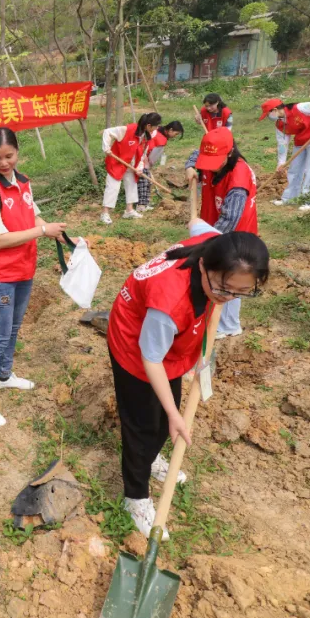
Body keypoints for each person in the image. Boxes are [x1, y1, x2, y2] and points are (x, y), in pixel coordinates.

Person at [106, 221, 269, 537]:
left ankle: (152, 457)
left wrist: (193, 361)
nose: (228, 298)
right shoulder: (168, 301)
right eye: (223, 289)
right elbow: (151, 359)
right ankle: (135, 497)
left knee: (163, 416)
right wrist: (173, 414)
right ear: (205, 265)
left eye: (241, 292)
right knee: (142, 424)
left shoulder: (219, 246)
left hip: (170, 342)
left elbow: (202, 228)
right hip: (135, 343)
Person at [0, 127, 68, 427]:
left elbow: (33, 215)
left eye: (9, 156)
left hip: (24, 268)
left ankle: (3, 376)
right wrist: (41, 231)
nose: (3, 163)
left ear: (17, 152)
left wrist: (60, 235)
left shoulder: (23, 182)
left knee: (12, 328)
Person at [184, 128, 258, 338]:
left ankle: (228, 325)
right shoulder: (211, 156)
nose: (208, 166)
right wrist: (190, 168)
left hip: (235, 235)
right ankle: (214, 320)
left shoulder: (238, 180)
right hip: (211, 224)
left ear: (229, 153)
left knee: (229, 276)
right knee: (215, 275)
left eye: (213, 160)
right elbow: (194, 156)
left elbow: (229, 220)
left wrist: (204, 244)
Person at [260, 97, 310, 210]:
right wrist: (281, 162)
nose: (269, 117)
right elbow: (282, 144)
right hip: (300, 141)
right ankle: (289, 198)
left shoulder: (300, 108)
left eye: (268, 114)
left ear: (275, 110)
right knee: (294, 169)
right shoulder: (280, 124)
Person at [101, 112, 162, 224]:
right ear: (148, 126)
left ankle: (129, 210)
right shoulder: (127, 130)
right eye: (155, 126)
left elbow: (142, 154)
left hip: (131, 164)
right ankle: (105, 213)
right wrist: (106, 148)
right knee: (113, 187)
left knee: (132, 185)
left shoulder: (147, 136)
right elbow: (107, 132)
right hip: (117, 162)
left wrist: (140, 167)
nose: (156, 129)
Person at [137, 121, 184, 213]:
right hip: (143, 159)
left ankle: (145, 203)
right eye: (176, 133)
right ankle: (141, 206)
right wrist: (148, 165)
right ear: (170, 130)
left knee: (147, 182)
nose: (175, 136)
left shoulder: (157, 130)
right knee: (144, 182)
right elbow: (153, 156)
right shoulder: (161, 139)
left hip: (141, 156)